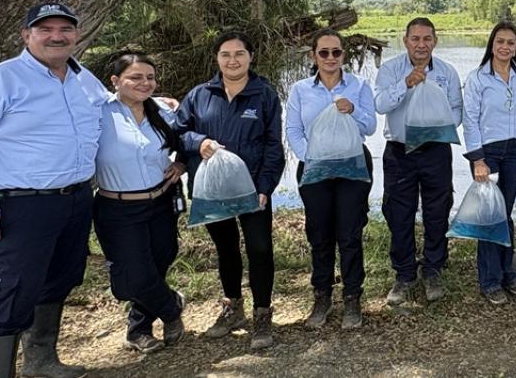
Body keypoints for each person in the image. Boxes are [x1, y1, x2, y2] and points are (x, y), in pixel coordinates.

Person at [0, 2, 108, 378]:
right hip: (22, 206)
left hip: (77, 199)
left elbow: (110, 114)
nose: (56, 36)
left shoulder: (85, 80)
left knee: (60, 278)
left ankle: (41, 360)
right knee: (12, 290)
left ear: (76, 35)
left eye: (65, 29)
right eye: (45, 29)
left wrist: (157, 107)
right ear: (26, 35)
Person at [175, 31, 284, 350]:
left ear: (250, 57)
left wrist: (265, 186)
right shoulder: (199, 95)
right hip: (212, 188)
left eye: (239, 54)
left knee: (260, 249)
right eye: (225, 54)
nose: (232, 60)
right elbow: (178, 134)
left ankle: (262, 313)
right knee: (226, 249)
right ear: (217, 58)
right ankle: (233, 307)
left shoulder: (264, 94)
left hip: (251, 188)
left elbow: (273, 145)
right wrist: (199, 142)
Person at [92, 52, 188, 354]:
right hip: (117, 208)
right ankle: (172, 307)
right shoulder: (97, 112)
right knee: (131, 277)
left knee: (158, 262)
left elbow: (189, 136)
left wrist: (182, 163)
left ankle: (138, 330)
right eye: (135, 77)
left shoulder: (163, 110)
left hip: (161, 201)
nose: (144, 83)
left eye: (150, 77)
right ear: (115, 81)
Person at [284, 30, 377, 330]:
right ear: (313, 56)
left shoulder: (359, 85)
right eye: (323, 53)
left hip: (353, 166)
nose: (330, 58)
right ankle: (322, 296)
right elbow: (293, 130)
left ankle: (352, 297)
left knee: (350, 233)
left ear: (343, 55)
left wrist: (353, 109)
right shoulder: (300, 90)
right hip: (314, 170)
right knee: (319, 234)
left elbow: (371, 126)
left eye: (336, 52)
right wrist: (310, 159)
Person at [374, 17, 464, 305]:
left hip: (435, 150)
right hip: (400, 152)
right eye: (416, 39)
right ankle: (404, 274)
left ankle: (434, 268)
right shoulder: (390, 70)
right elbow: (380, 104)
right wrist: (405, 83)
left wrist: (434, 125)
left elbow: (457, 112)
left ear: (435, 41)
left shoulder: (447, 73)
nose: (421, 44)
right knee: (399, 214)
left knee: (438, 210)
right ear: (406, 41)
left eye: (427, 39)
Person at [462, 21, 516, 305]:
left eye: (511, 43)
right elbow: (469, 120)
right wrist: (478, 159)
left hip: (515, 150)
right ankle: (489, 280)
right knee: (490, 216)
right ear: (492, 44)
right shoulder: (478, 78)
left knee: (505, 212)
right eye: (500, 41)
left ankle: (507, 271)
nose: (505, 47)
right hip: (486, 152)